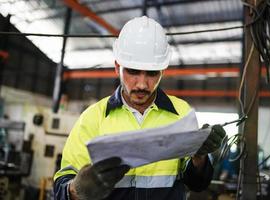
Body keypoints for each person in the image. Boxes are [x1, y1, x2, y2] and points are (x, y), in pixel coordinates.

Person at [53, 16, 226, 200]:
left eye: (152, 73)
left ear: (162, 71)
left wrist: (199, 158)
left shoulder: (182, 113)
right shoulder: (93, 118)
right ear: (117, 67)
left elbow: (197, 184)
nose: (142, 84)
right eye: (133, 71)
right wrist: (77, 189)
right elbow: (61, 187)